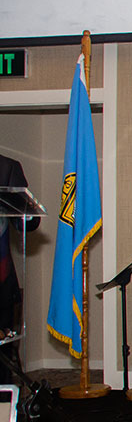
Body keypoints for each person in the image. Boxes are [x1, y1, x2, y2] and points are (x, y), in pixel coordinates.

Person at [1, 153, 41, 382]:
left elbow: (28, 220)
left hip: (1, 284)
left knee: (2, 364)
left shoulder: (6, 168)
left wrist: (27, 211)